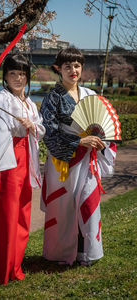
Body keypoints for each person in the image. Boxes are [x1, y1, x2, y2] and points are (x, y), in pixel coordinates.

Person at [0, 54, 45, 284]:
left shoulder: (30, 103)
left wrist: (32, 125)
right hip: (7, 162)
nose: (18, 78)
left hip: (26, 161)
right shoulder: (1, 98)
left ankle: (14, 266)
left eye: (22, 73)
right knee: (5, 215)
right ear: (5, 76)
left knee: (22, 213)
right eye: (13, 73)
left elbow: (41, 130)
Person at [40, 47, 116, 266]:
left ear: (81, 68)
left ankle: (87, 252)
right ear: (58, 69)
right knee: (63, 207)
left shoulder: (90, 95)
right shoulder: (52, 98)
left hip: (87, 158)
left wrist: (100, 141)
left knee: (88, 202)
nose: (73, 70)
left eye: (76, 66)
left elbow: (102, 126)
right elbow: (49, 132)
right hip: (63, 161)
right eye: (67, 66)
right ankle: (60, 253)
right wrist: (78, 141)